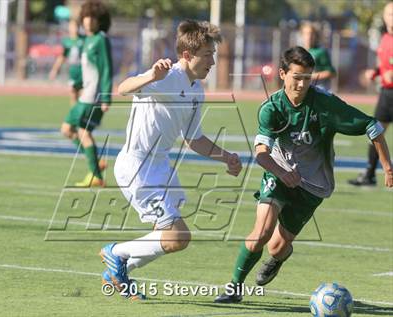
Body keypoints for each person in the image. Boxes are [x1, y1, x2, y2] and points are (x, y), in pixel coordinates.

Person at [214, 46, 393, 304]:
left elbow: (371, 125)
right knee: (261, 232)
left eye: (307, 78)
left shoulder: (325, 104)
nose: (301, 84)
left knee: (276, 247)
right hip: (278, 173)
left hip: (313, 184)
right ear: (282, 74)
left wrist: (387, 166)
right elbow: (262, 154)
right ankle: (234, 287)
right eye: (296, 77)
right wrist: (281, 173)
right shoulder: (272, 108)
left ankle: (279, 258)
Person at [99, 20, 242, 300]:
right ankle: (115, 253)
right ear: (187, 55)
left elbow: (194, 139)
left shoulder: (196, 90)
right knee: (178, 238)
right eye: (207, 54)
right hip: (137, 167)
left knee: (165, 236)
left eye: (213, 54)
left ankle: (116, 271)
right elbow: (124, 88)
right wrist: (150, 76)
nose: (212, 61)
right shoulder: (166, 76)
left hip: (162, 168)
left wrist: (227, 157)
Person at [60, 0, 112, 187]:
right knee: (68, 130)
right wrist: (77, 84)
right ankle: (95, 165)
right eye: (86, 17)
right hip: (84, 94)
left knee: (82, 131)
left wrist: (106, 97)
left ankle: (96, 175)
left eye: (93, 18)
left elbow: (106, 69)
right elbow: (88, 70)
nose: (89, 21)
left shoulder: (101, 39)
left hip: (93, 96)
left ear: (100, 20)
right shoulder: (88, 40)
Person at [349, 1, 393, 186]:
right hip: (387, 94)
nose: (392, 17)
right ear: (384, 17)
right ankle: (369, 174)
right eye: (390, 14)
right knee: (375, 132)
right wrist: (374, 72)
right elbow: (384, 65)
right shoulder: (385, 38)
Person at [49, 19, 85, 105]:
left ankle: (83, 116)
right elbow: (62, 57)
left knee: (84, 96)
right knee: (73, 94)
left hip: (83, 70)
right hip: (73, 70)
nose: (74, 29)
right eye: (71, 27)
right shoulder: (67, 41)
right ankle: (75, 116)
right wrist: (54, 70)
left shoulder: (84, 40)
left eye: (75, 26)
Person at [301, 21, 336, 91]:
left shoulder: (320, 51)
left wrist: (311, 76)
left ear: (316, 36)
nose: (309, 37)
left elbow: (331, 73)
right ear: (302, 35)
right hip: (304, 88)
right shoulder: (300, 52)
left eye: (311, 34)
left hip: (319, 88)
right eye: (306, 34)